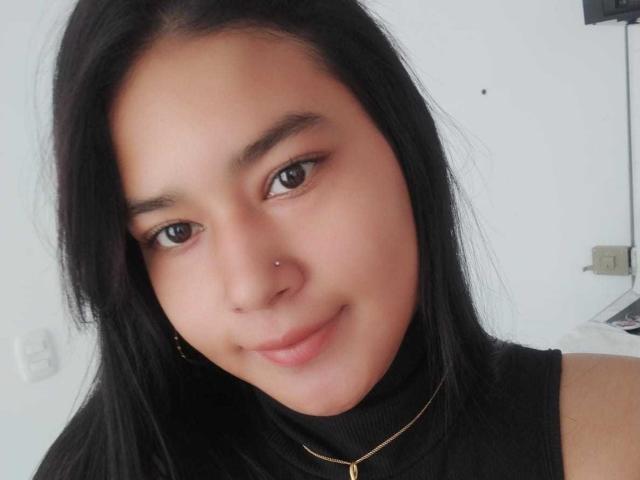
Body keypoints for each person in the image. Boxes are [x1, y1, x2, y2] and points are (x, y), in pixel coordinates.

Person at [34, 1, 640, 479]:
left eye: (289, 176)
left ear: (400, 140)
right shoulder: (102, 467)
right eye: (174, 232)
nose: (252, 285)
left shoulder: (618, 433)